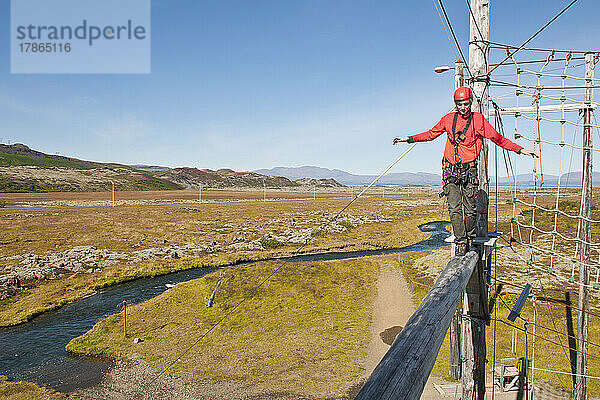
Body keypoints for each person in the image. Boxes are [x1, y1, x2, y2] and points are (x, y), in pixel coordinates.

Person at [393, 86, 537, 256]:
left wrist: (519, 150)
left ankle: (469, 237)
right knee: (454, 208)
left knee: (470, 210)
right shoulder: (448, 119)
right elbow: (431, 134)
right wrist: (408, 139)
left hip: (469, 170)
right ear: (456, 104)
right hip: (450, 170)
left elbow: (498, 139)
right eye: (460, 104)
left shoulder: (478, 120)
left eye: (466, 103)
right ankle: (461, 240)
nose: (463, 107)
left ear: (471, 103)